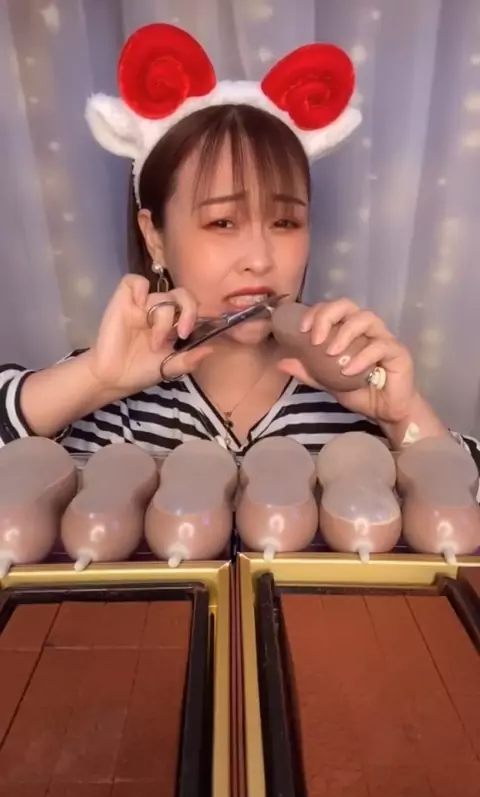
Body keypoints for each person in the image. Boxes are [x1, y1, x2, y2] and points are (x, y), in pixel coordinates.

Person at [1, 23, 479, 475]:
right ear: (154, 236)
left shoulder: (357, 396)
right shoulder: (101, 388)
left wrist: (404, 417)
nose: (260, 259)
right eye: (222, 222)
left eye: (286, 222)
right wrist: (95, 380)